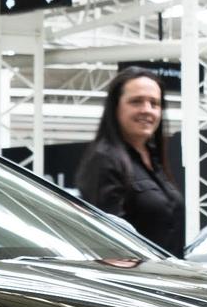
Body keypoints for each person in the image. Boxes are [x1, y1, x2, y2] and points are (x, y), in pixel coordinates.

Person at [76, 67, 185, 257]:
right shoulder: (104, 160)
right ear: (115, 107)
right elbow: (107, 244)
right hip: (137, 281)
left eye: (154, 103)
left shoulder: (153, 159)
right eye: (136, 102)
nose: (147, 110)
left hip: (168, 278)